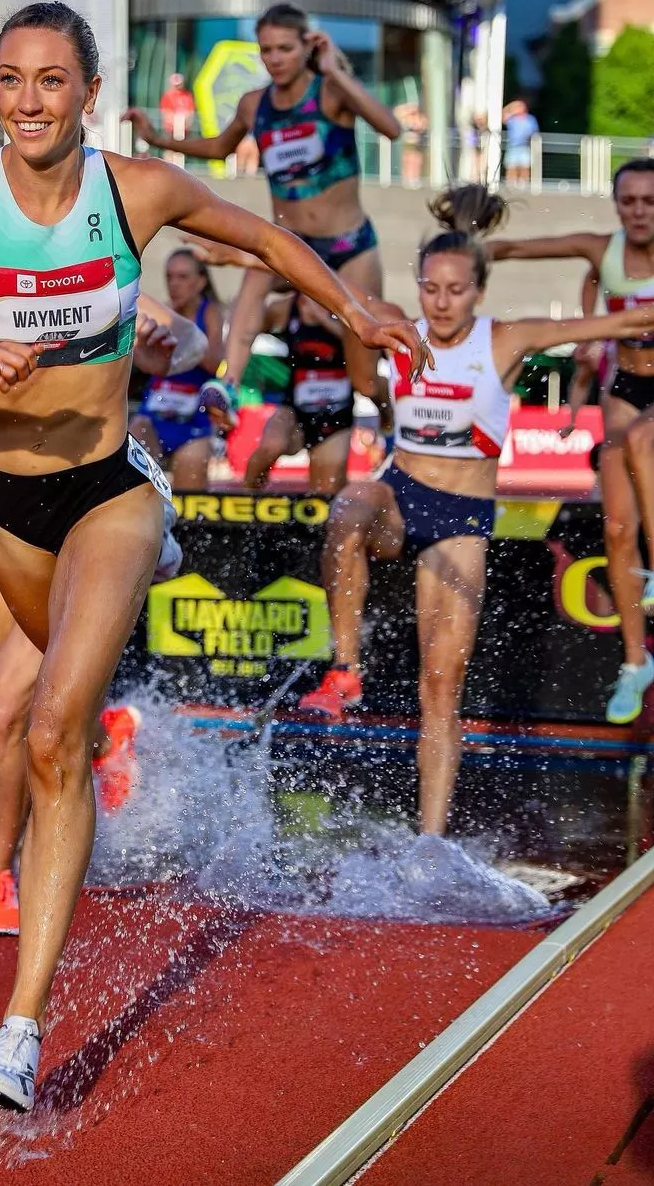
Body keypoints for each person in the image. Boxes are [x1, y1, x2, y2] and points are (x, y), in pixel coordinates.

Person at [0, 0, 427, 1113]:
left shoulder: (133, 190)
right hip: (3, 502)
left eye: (51, 81)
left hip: (108, 481)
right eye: (11, 80)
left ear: (88, 92)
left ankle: (20, 1030)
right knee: (13, 721)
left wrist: (352, 304)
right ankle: (131, 574)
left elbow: (260, 236)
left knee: (56, 726)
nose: (28, 101)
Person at [296, 185, 654, 846]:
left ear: (478, 292)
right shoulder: (398, 329)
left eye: (455, 291)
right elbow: (319, 281)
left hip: (462, 519)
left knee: (440, 686)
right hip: (399, 495)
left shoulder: (506, 338)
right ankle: (344, 670)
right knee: (348, 505)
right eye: (430, 288)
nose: (440, 302)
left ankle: (430, 840)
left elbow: (616, 325)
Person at [0, 126, 206, 938]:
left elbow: (189, 341)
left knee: (15, 711)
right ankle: (104, 729)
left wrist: (170, 339)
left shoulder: (48, 262)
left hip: (63, 505)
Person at [123, 2, 403, 417]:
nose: (274, 59)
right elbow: (219, 148)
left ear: (308, 46)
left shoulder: (330, 90)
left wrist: (336, 71)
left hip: (349, 247)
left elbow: (391, 128)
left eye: (285, 49)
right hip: (289, 242)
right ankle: (229, 385)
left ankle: (384, 405)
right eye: (266, 49)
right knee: (254, 282)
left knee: (363, 378)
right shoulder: (255, 105)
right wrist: (158, 139)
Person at [486, 158, 654, 721]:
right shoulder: (600, 249)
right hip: (627, 388)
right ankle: (635, 665)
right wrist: (472, 235)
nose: (638, 212)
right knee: (615, 529)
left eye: (649, 201)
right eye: (628, 200)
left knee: (642, 442)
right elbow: (513, 251)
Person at [243, 289, 354, 495]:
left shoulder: (348, 306)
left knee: (326, 497)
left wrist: (323, 317)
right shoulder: (286, 307)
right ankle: (247, 500)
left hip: (336, 413)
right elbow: (245, 331)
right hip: (295, 409)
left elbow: (361, 347)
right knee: (271, 445)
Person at [130, 248, 223, 489]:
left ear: (200, 281)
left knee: (189, 498)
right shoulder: (161, 312)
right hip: (154, 414)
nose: (174, 284)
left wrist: (186, 334)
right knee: (134, 471)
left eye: (182, 277)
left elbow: (216, 364)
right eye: (170, 277)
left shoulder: (210, 313)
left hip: (193, 418)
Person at [502, 98, 539, 188]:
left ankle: (523, 185)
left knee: (525, 166)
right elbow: (502, 116)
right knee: (511, 166)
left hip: (524, 146)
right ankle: (511, 184)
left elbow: (534, 131)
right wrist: (511, 106)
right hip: (513, 146)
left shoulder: (530, 119)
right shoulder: (512, 119)